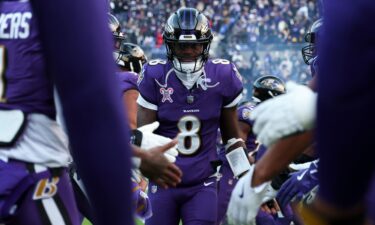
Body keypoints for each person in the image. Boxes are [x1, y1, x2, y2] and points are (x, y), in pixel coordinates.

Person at [0, 2, 179, 225]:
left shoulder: (9, 9)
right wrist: (137, 148)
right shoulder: (70, 12)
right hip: (36, 176)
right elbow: (88, 120)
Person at [137, 7, 249, 225]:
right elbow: (144, 139)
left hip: (202, 184)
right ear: (170, 45)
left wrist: (249, 181)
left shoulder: (222, 76)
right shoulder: (155, 76)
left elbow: (232, 140)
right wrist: (137, 179)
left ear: (205, 45)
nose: (188, 51)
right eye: (181, 45)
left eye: (195, 45)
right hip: (163, 182)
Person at [216, 75, 286, 224]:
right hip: (233, 173)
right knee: (220, 218)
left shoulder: (269, 117)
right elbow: (235, 148)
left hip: (252, 174)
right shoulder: (249, 112)